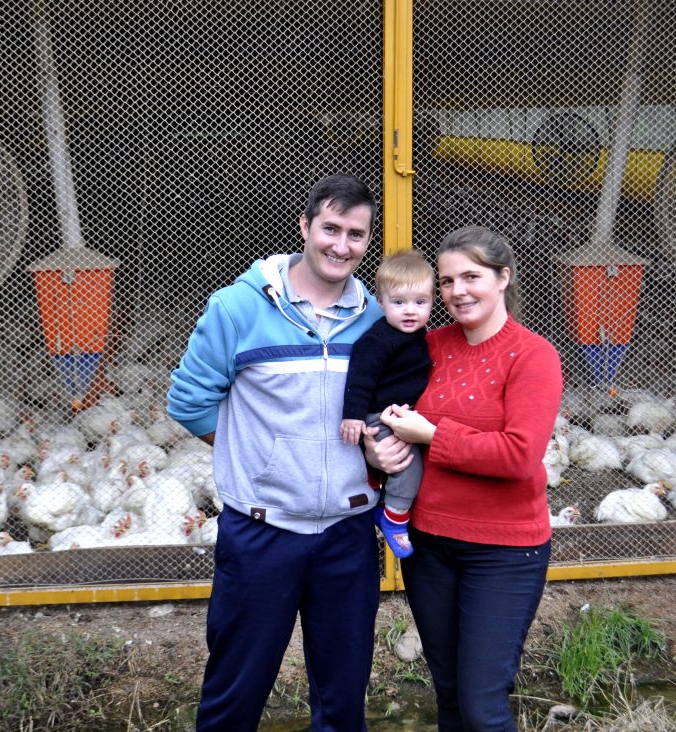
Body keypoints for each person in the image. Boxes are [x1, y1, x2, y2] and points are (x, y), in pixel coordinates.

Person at [167, 174, 385, 732]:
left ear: (367, 240)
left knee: (342, 701)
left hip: (348, 533)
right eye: (330, 228)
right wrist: (260, 455)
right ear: (305, 227)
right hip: (261, 531)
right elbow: (189, 401)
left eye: (356, 234)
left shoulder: (376, 319)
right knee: (235, 696)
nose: (341, 245)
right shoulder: (237, 308)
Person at [376, 225, 563, 731]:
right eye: (446, 281)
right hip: (429, 545)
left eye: (471, 277)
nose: (457, 291)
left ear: (503, 278)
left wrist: (433, 435)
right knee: (450, 694)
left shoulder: (534, 355)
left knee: (483, 707)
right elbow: (386, 410)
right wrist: (379, 447)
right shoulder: (428, 345)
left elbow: (519, 455)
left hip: (503, 553)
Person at [340, 249, 434, 558]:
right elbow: (360, 378)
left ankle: (386, 499)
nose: (410, 311)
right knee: (408, 464)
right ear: (381, 302)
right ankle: (394, 517)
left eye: (420, 302)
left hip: (402, 415)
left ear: (432, 301)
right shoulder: (377, 340)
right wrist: (353, 416)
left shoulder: (421, 337)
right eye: (399, 302)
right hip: (379, 416)